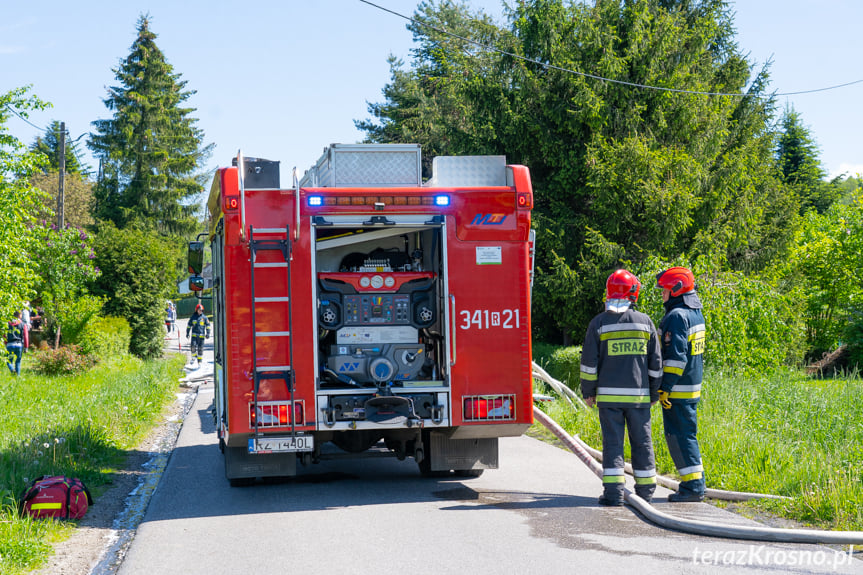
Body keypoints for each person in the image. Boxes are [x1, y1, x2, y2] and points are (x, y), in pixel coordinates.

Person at [580, 270, 662, 506]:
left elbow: (588, 364)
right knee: (642, 442)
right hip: (639, 398)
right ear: (633, 293)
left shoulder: (599, 323)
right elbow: (656, 364)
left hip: (609, 399)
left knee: (613, 444)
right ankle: (646, 494)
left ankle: (614, 494)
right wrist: (654, 392)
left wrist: (589, 392)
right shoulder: (645, 322)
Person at [656, 266, 707, 503]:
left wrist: (665, 387)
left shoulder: (677, 316)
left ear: (676, 290)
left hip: (677, 390)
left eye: (665, 290)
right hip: (690, 386)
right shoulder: (695, 313)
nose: (663, 294)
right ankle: (692, 484)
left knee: (681, 436)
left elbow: (676, 358)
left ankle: (694, 487)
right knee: (686, 435)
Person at [6, 311, 27, 375]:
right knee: (18, 361)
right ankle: (17, 376)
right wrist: (26, 347)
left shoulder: (8, 324)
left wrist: (5, 343)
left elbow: (4, 335)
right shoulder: (23, 324)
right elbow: (26, 336)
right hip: (19, 344)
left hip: (9, 344)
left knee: (9, 361)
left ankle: (12, 370)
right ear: (19, 315)